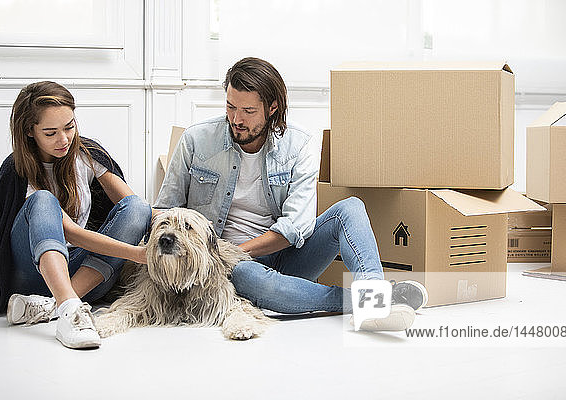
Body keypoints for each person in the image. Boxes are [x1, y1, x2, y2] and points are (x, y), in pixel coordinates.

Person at [155, 57, 428, 331]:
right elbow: (164, 209)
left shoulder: (299, 145)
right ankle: (370, 302)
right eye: (230, 106)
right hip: (222, 269)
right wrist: (211, 254)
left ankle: (372, 295)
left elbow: (295, 227)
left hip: (280, 257)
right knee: (246, 273)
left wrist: (232, 252)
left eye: (248, 111)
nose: (236, 119)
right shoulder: (195, 140)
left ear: (272, 107)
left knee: (351, 208)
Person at [0, 81, 152, 349]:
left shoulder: (87, 153)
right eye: (50, 133)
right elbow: (71, 232)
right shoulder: (18, 169)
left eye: (69, 127)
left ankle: (51, 306)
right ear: (30, 131)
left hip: (85, 274)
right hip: (33, 273)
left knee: (138, 207)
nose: (63, 140)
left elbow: (135, 209)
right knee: (43, 200)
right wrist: (135, 254)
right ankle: (71, 311)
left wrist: (180, 220)